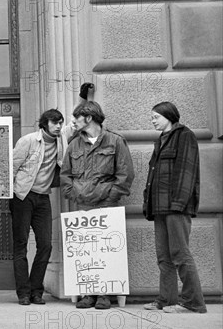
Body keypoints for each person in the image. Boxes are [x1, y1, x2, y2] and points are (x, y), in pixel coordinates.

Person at [61, 101, 135, 309]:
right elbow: (65, 174)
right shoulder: (74, 144)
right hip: (82, 205)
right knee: (85, 251)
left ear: (89, 118)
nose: (73, 122)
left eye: (77, 118)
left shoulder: (115, 141)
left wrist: (111, 196)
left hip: (107, 204)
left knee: (105, 250)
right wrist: (72, 194)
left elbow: (125, 174)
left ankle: (104, 295)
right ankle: (88, 293)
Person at [142, 102, 207, 314]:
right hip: (160, 207)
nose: (153, 120)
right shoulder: (161, 140)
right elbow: (153, 176)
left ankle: (193, 302)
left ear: (169, 116)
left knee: (180, 254)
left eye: (156, 117)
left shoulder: (184, 135)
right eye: (151, 117)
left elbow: (186, 171)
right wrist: (148, 204)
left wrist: (178, 204)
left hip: (176, 206)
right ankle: (167, 299)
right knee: (164, 257)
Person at [10, 109, 68, 305]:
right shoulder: (28, 141)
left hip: (43, 197)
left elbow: (80, 124)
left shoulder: (62, 140)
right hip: (23, 196)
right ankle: (23, 293)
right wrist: (10, 194)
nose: (59, 126)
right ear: (45, 124)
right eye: (54, 122)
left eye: (60, 122)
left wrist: (85, 97)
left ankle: (36, 290)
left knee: (45, 245)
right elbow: (12, 166)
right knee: (21, 244)